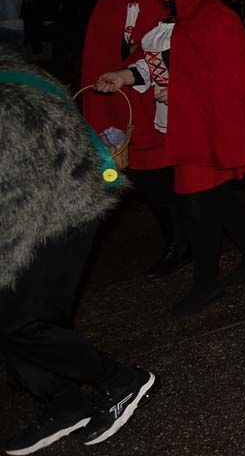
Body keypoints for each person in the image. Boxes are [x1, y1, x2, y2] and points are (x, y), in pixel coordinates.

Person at [96, 0, 245, 316]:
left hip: (206, 129)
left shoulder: (213, 19)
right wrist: (124, 75)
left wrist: (177, 90)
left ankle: (206, 283)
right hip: (187, 125)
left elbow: (228, 80)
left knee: (196, 205)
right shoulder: (178, 16)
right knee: (219, 197)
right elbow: (156, 64)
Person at [0, 51, 156, 454]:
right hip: (43, 205)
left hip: (62, 209)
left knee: (22, 322)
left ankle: (119, 380)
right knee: (12, 321)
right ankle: (62, 402)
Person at [81, 0, 189, 282]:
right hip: (125, 104)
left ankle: (186, 243)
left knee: (172, 176)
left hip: (159, 101)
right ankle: (179, 241)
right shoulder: (108, 2)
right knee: (145, 178)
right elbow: (95, 59)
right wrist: (99, 112)